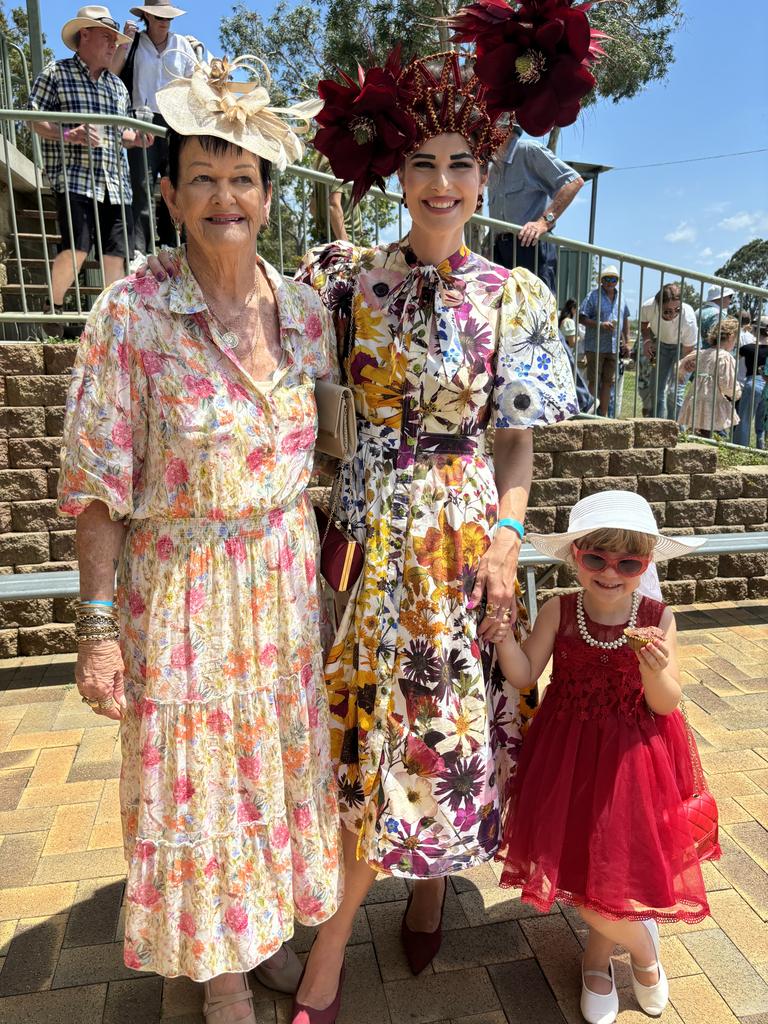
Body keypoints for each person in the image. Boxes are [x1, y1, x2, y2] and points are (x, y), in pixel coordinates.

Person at [289, 8, 596, 1017]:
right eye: (422, 160)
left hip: (467, 536)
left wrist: (510, 536)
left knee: (449, 723)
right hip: (371, 533)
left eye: (463, 162)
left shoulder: (514, 297)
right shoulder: (347, 281)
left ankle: (426, 882)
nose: (443, 181)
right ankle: (335, 940)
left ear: (485, 172)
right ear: (396, 171)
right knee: (368, 726)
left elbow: (516, 437)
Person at [57, 54, 340, 1024]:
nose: (228, 195)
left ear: (270, 194)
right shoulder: (130, 314)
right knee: (199, 787)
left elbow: (327, 453)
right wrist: (97, 628)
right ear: (172, 193)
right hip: (179, 592)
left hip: (283, 592)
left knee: (271, 769)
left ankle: (256, 931)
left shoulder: (304, 312)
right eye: (207, 176)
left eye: (246, 175)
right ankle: (218, 970)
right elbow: (97, 487)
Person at [494, 490, 714, 1024]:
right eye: (596, 559)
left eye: (628, 563)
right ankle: (642, 948)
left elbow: (666, 703)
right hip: (565, 753)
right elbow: (525, 674)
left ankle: (599, 957)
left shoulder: (659, 618)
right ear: (576, 558)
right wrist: (504, 638)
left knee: (614, 856)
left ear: (646, 566)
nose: (610, 573)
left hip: (632, 760)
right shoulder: (560, 610)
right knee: (578, 855)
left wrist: (654, 667)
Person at [28, 5, 153, 330]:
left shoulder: (117, 87)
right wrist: (68, 134)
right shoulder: (56, 73)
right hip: (75, 179)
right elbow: (33, 118)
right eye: (107, 37)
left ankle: (114, 325)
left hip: (115, 182)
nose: (114, 44)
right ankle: (52, 309)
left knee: (116, 256)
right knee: (77, 249)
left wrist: (136, 138)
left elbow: (119, 135)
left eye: (116, 39)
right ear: (84, 35)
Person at [110, 0, 198, 256]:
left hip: (176, 123)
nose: (165, 20)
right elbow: (113, 74)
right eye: (159, 15)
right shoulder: (135, 42)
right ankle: (141, 250)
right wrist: (123, 43)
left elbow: (198, 81)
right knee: (141, 183)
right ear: (147, 15)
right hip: (142, 119)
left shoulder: (183, 45)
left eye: (168, 16)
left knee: (175, 183)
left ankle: (173, 245)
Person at [489, 126, 583, 294]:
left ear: (504, 127)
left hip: (530, 247)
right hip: (500, 251)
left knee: (537, 311)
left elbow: (573, 182)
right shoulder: (493, 168)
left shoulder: (528, 151)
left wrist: (543, 223)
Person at [639, 282, 697, 419]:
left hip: (683, 348)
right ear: (658, 305)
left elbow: (688, 350)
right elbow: (644, 323)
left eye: (677, 309)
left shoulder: (687, 318)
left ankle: (675, 430)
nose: (672, 314)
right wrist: (647, 341)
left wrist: (684, 367)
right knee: (656, 389)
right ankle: (656, 426)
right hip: (662, 344)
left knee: (674, 392)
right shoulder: (648, 307)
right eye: (667, 311)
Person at [678, 316, 742, 438]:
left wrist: (681, 373)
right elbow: (727, 383)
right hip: (712, 398)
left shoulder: (702, 353)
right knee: (710, 431)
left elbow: (681, 363)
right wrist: (736, 393)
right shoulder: (725, 357)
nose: (735, 344)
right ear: (731, 337)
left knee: (696, 428)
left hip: (696, 396)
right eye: (735, 341)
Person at [579, 266, 630, 416]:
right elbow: (582, 318)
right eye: (606, 279)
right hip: (595, 345)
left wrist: (626, 342)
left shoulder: (622, 298)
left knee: (609, 381)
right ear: (601, 280)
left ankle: (603, 414)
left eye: (613, 279)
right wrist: (600, 325)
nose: (609, 282)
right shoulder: (592, 296)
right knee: (594, 380)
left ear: (617, 281)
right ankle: (590, 413)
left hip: (613, 347)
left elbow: (625, 320)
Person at [733, 315, 768, 448]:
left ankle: (739, 448)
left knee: (745, 420)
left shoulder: (748, 348)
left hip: (752, 383)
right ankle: (762, 448)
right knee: (762, 421)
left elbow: (734, 361)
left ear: (756, 330)